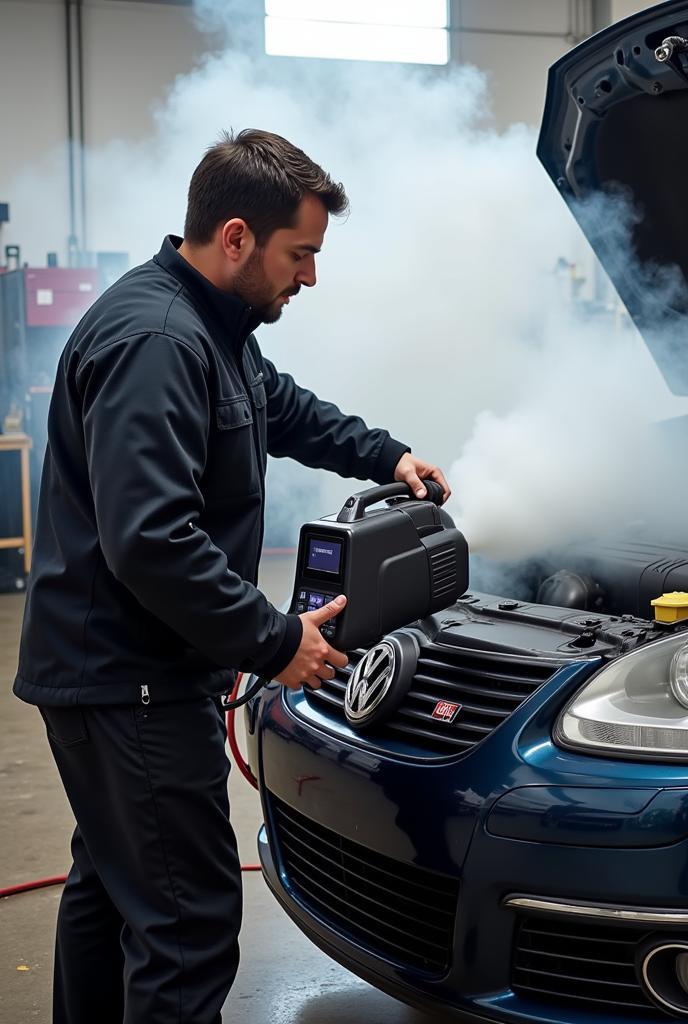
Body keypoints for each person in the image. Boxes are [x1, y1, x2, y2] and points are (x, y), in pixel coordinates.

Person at [12, 128, 450, 1024]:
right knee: (187, 928)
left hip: (114, 674)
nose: (311, 277)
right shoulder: (159, 339)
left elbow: (278, 408)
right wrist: (277, 640)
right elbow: (151, 542)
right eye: (302, 253)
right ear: (238, 236)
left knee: (112, 892)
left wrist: (386, 453)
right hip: (131, 685)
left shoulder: (214, 326)